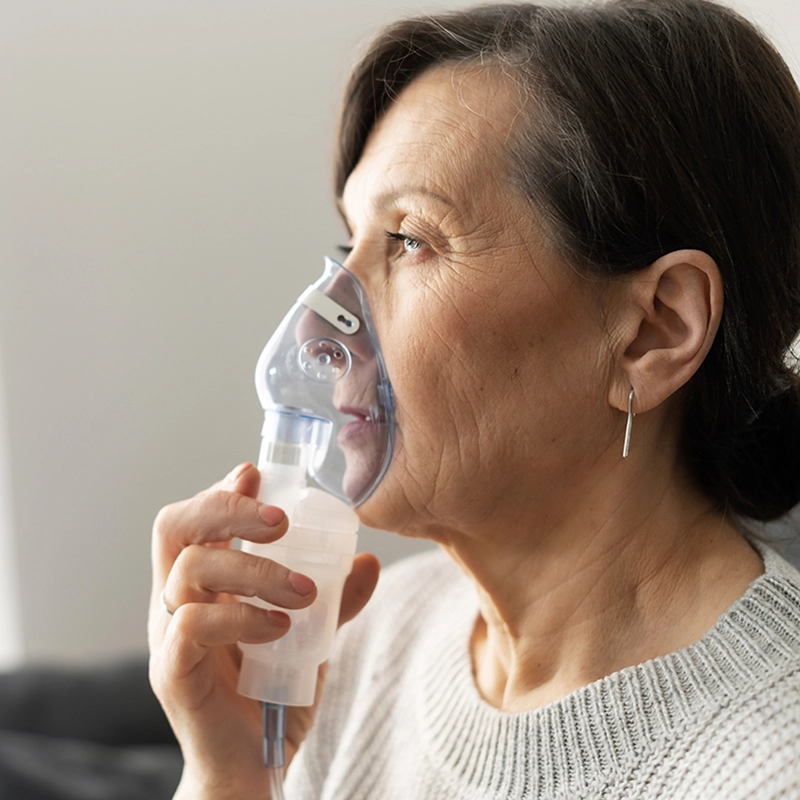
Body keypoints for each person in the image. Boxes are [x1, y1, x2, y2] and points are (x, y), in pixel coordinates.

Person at [148, 0, 800, 797]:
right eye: (345, 243)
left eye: (412, 240)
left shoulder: (770, 768)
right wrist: (232, 775)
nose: (320, 326)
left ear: (653, 331)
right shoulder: (367, 645)